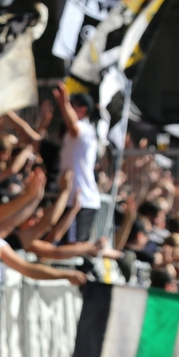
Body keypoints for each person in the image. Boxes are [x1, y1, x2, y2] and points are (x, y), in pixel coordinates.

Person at [53, 83, 100, 243]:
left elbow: (74, 127)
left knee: (73, 248)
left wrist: (63, 103)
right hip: (72, 199)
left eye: (72, 105)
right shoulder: (72, 132)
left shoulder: (85, 129)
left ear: (83, 110)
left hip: (81, 199)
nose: (68, 108)